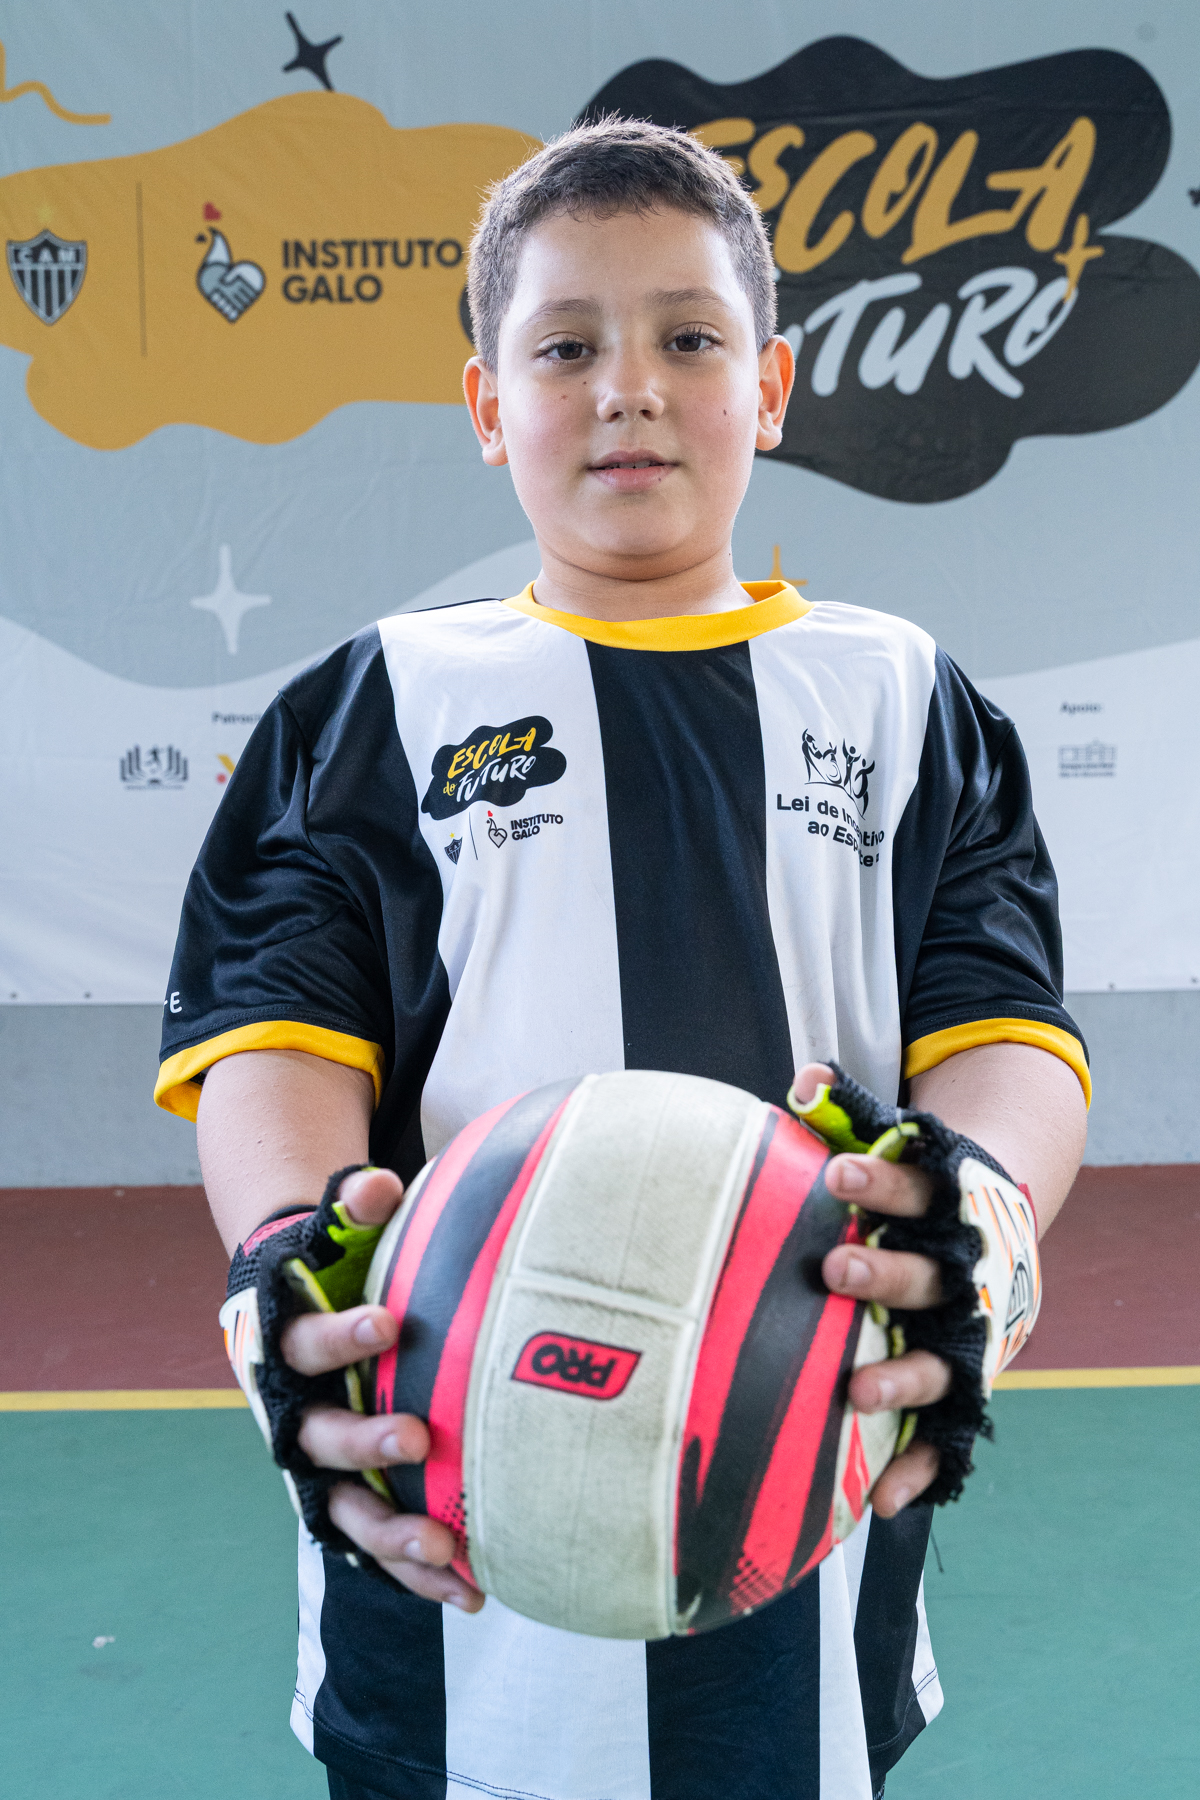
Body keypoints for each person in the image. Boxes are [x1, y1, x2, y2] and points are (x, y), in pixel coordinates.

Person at [155, 119, 1089, 1800]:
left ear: (775, 385)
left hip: (797, 1500)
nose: (629, 386)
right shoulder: (370, 706)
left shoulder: (905, 699)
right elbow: (277, 1049)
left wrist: (985, 1211)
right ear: (487, 404)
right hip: (446, 1542)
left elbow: (1000, 1031)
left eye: (689, 337)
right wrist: (291, 1251)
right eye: (566, 345)